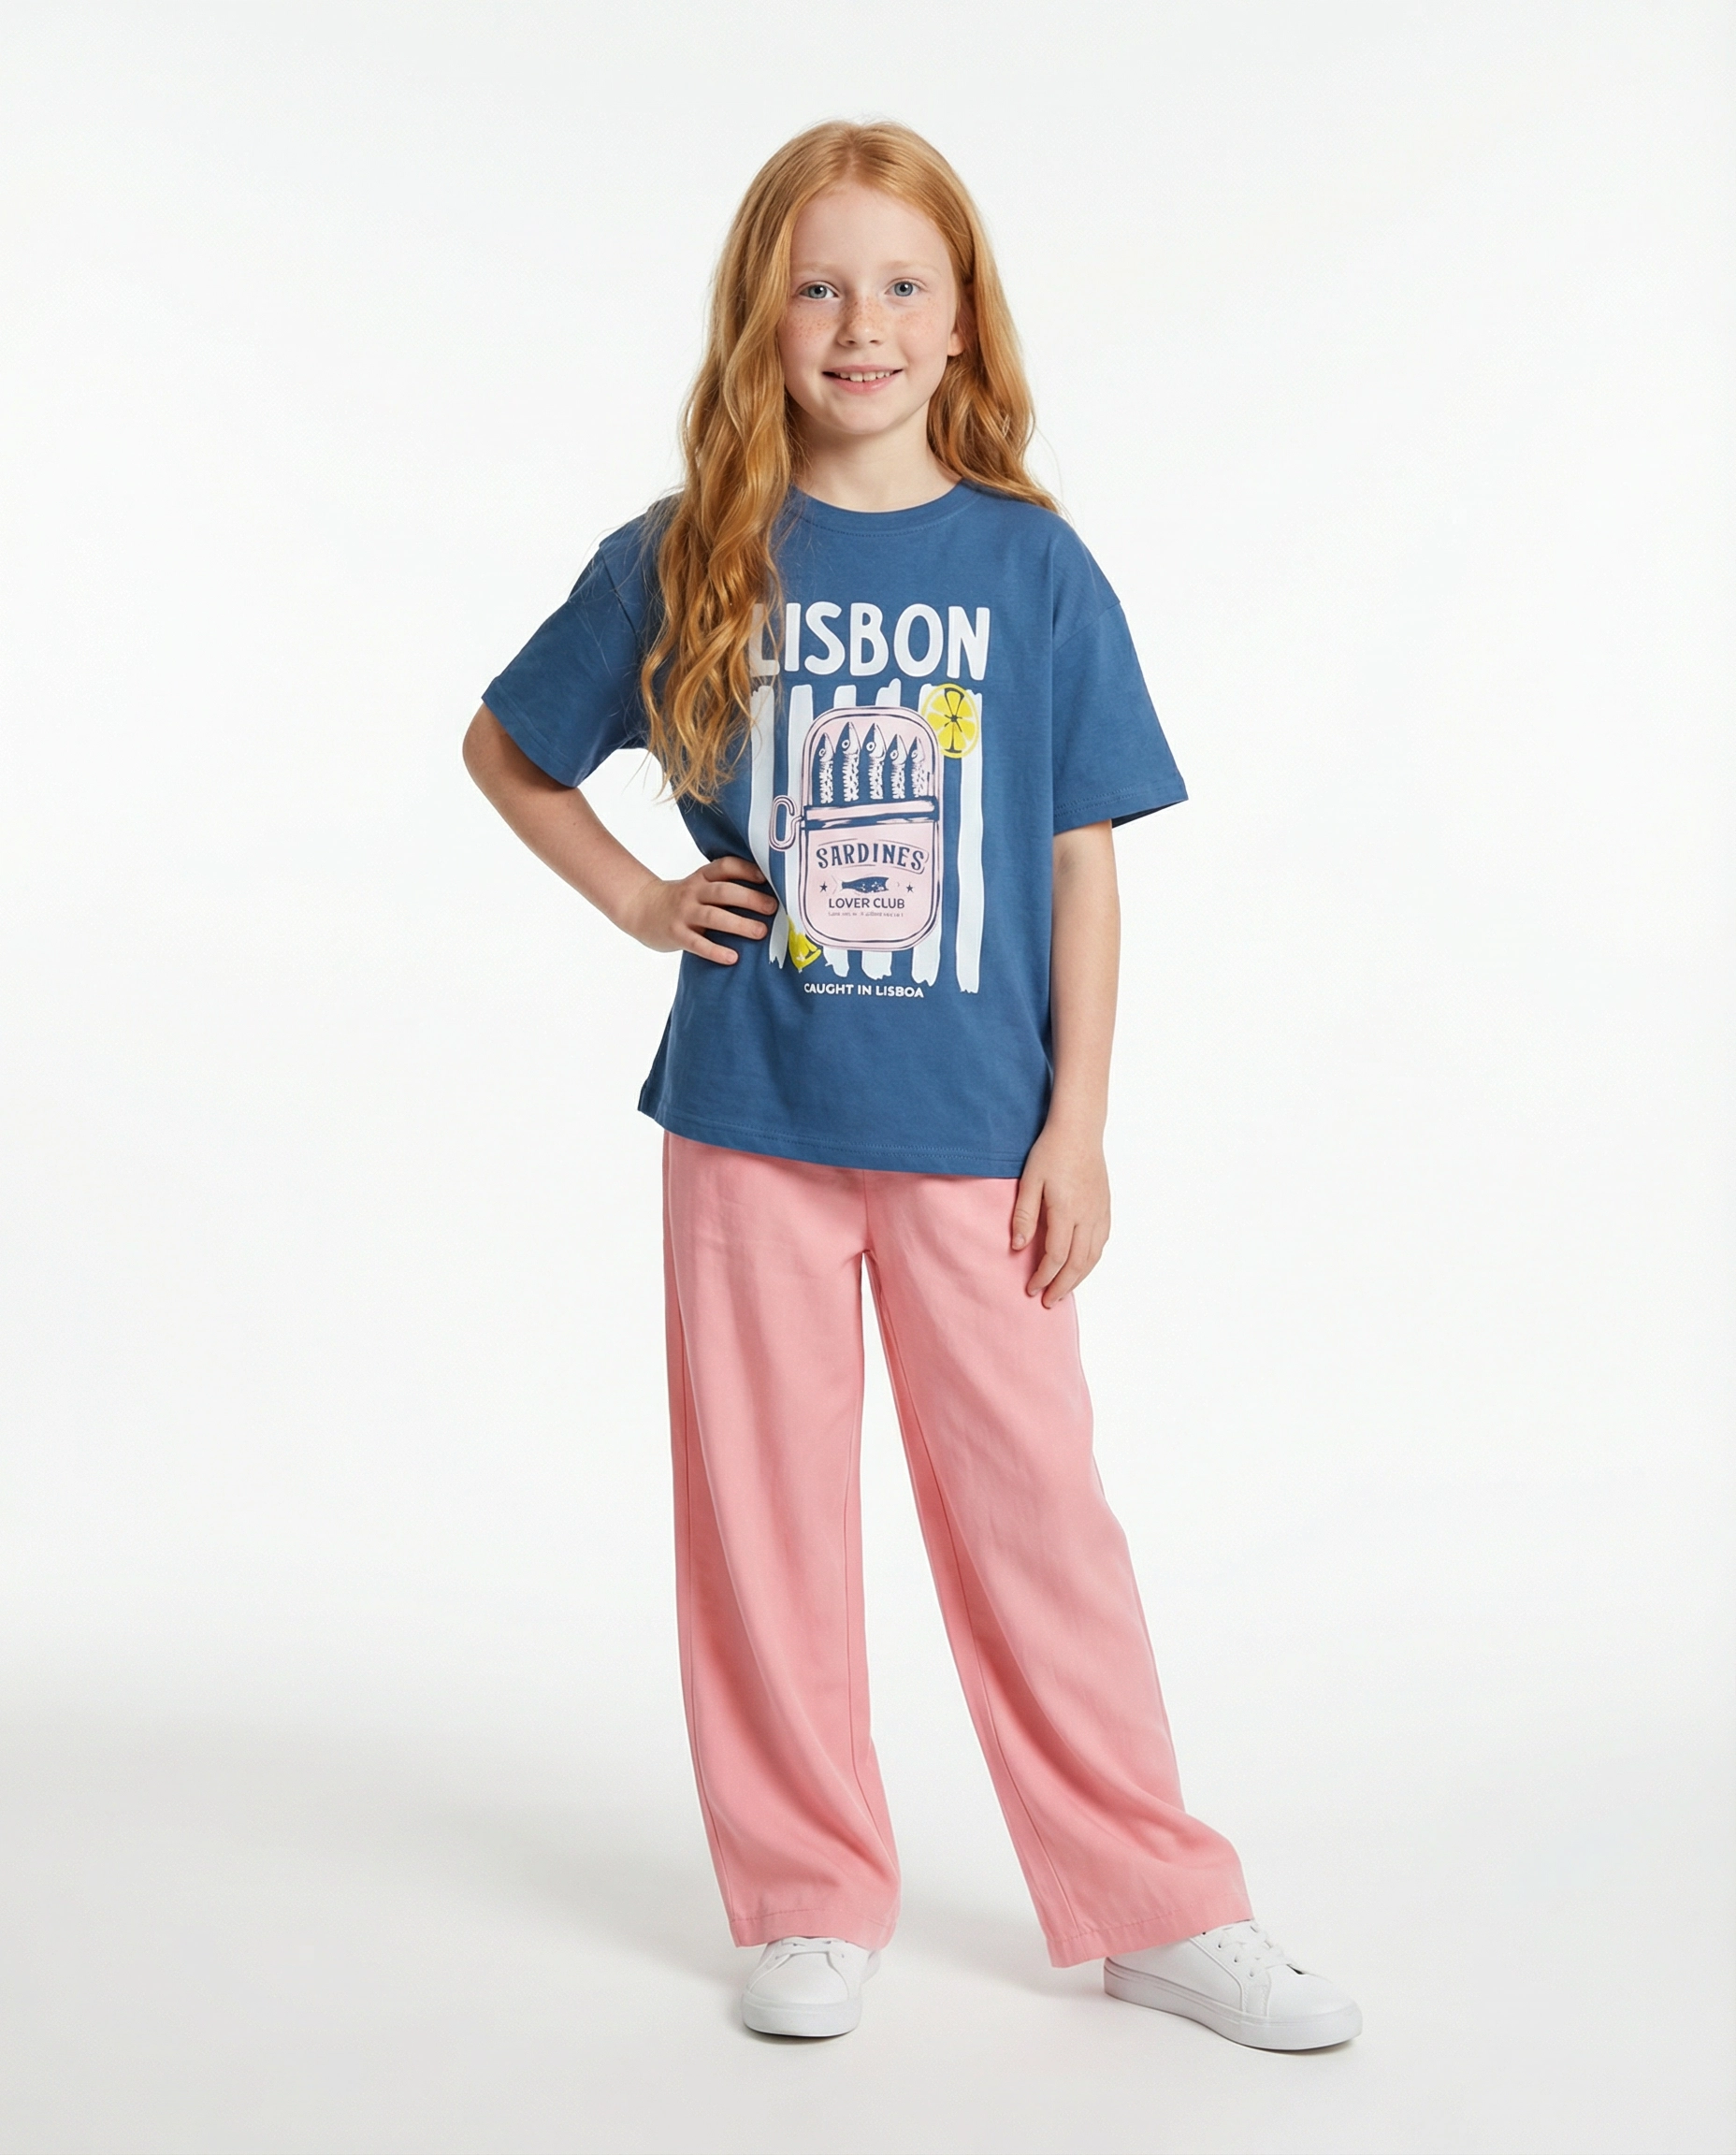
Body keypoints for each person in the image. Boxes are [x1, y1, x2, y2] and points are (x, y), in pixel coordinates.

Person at [463, 119, 1359, 2051]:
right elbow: (509, 747)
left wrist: (1078, 1126)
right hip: (749, 1125)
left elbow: (1081, 863)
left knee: (1040, 1518)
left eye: (898, 285)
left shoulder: (1032, 567)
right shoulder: (682, 555)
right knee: (765, 1526)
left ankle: (1156, 1902)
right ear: (760, 319)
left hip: (976, 1136)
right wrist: (640, 899)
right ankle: (805, 1897)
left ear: (960, 323)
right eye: (816, 286)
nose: (857, 322)